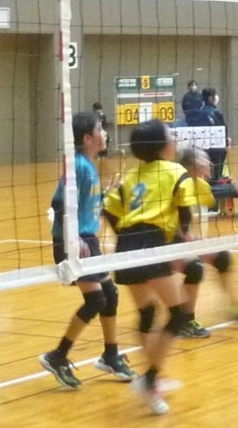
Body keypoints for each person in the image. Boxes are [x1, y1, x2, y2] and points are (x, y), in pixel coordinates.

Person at [101, 120, 197, 416]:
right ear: (162, 145)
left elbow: (108, 209)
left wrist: (126, 237)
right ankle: (150, 379)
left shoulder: (130, 176)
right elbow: (185, 213)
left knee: (148, 313)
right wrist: (182, 240)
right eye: (170, 136)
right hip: (152, 243)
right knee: (178, 314)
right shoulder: (176, 172)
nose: (174, 140)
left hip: (126, 246)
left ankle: (152, 379)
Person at [39, 113, 137, 389]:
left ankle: (110, 355)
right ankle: (57, 356)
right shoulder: (78, 166)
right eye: (100, 129)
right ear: (87, 138)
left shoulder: (89, 166)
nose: (105, 134)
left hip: (87, 239)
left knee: (109, 295)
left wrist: (106, 194)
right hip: (74, 241)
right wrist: (73, 240)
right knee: (96, 300)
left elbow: (83, 202)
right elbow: (58, 203)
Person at [174, 147, 238, 335]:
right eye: (204, 159)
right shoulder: (178, 184)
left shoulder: (199, 184)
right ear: (191, 165)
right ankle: (186, 320)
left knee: (222, 257)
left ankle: (235, 305)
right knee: (194, 267)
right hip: (163, 240)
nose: (209, 162)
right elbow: (170, 217)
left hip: (181, 236)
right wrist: (187, 237)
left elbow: (216, 193)